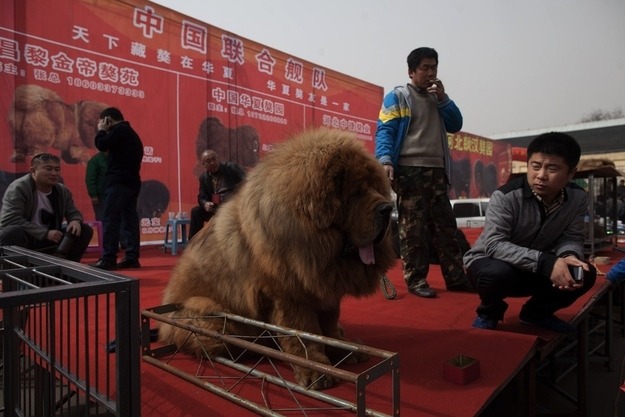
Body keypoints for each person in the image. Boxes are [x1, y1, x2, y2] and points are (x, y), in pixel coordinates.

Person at [464, 132, 597, 333]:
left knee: (584, 273)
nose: (541, 175)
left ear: (571, 174)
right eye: (535, 166)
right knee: (495, 274)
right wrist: (546, 262)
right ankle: (489, 312)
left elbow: (572, 236)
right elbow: (494, 244)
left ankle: (535, 314)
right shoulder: (506, 197)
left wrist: (568, 256)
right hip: (495, 264)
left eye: (552, 168)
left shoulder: (577, 198)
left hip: (538, 269)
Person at [375, 46, 473, 298]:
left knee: (445, 226)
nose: (430, 73)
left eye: (434, 67)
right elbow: (385, 130)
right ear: (411, 72)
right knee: (413, 228)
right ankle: (416, 280)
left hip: (437, 170)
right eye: (424, 68)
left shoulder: (437, 98)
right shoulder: (397, 97)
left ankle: (456, 277)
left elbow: (456, 125)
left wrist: (444, 98)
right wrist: (385, 159)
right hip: (410, 170)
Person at [0, 153, 93, 262]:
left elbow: (73, 212)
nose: (54, 173)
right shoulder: (19, 188)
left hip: (52, 237)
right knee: (12, 231)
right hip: (28, 238)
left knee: (84, 230)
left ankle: (67, 271)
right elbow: (10, 219)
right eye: (48, 169)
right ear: (33, 171)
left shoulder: (62, 190)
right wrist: (44, 234)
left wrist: (75, 220)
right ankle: (17, 274)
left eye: (57, 169)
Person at [91, 107, 143, 270]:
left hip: (118, 183)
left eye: (101, 122)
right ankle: (132, 258)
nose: (100, 125)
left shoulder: (120, 130)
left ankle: (108, 258)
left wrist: (101, 131)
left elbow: (101, 144)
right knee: (129, 221)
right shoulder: (130, 133)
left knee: (111, 220)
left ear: (107, 120)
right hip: (131, 183)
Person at [188, 149, 246, 239]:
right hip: (216, 209)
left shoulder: (232, 168)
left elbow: (246, 183)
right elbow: (202, 197)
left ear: (218, 158)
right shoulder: (204, 178)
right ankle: (193, 244)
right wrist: (206, 203)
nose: (212, 163)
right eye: (208, 161)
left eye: (213, 159)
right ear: (203, 165)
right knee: (196, 211)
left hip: (235, 206)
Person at [85, 151, 108, 221]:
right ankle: (102, 232)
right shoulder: (95, 161)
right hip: (101, 196)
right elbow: (90, 179)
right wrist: (93, 195)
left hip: (114, 194)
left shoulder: (116, 159)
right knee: (102, 218)